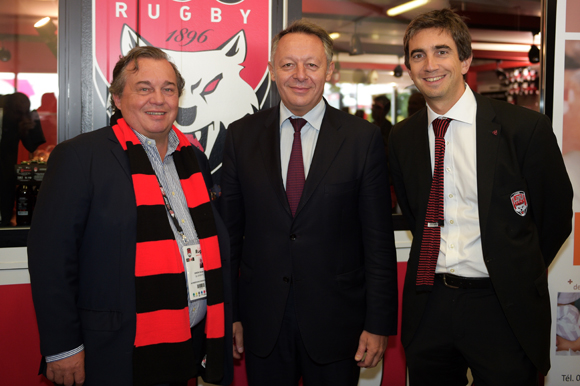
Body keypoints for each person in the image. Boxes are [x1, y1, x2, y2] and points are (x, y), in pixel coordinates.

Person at [388, 8, 573, 386]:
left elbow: (554, 218)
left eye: (441, 51)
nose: (429, 64)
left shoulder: (523, 129)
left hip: (502, 306)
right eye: (417, 55)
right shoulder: (401, 138)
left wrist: (515, 269)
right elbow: (412, 211)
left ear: (466, 59)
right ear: (408, 67)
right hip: (430, 304)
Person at [27, 46, 233, 386]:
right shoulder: (80, 157)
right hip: (111, 350)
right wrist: (62, 349)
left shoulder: (193, 159)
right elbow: (51, 260)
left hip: (188, 342)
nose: (159, 98)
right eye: (144, 88)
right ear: (118, 98)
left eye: (168, 89)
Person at [221, 19, 398, 386]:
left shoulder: (362, 140)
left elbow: (377, 242)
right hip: (262, 322)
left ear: (329, 70)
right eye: (288, 64)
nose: (300, 75)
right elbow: (230, 237)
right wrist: (231, 314)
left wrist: (378, 324)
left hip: (338, 324)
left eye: (312, 65)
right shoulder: (241, 136)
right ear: (271, 71)